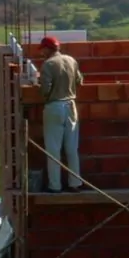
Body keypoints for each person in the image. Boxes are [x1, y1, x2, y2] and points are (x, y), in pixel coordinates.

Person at [38, 35, 85, 193]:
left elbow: (45, 89)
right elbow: (80, 81)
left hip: (54, 106)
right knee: (72, 148)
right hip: (71, 106)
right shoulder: (71, 60)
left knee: (53, 149)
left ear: (46, 49)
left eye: (42, 49)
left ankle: (55, 186)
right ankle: (75, 183)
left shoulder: (48, 64)